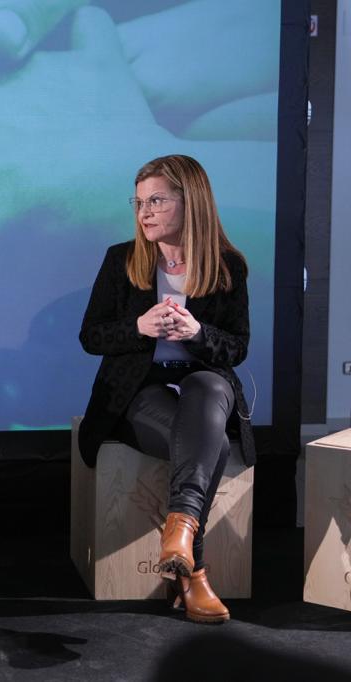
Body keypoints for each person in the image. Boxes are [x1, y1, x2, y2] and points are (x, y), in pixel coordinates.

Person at [78, 154, 255, 623]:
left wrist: (197, 332)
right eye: (139, 203)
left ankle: (181, 538)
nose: (145, 213)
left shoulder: (228, 266)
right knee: (212, 444)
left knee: (209, 387)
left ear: (190, 201)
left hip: (203, 390)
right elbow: (91, 336)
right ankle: (191, 566)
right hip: (140, 391)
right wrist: (139, 326)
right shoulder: (122, 259)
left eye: (156, 201)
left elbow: (237, 348)